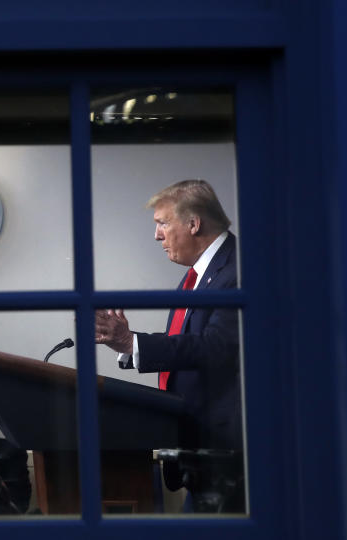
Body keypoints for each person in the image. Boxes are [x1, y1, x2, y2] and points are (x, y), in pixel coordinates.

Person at [95, 179, 244, 512]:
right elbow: (191, 345)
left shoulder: (238, 271)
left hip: (228, 456)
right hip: (200, 455)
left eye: (162, 223)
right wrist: (129, 346)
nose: (156, 235)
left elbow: (216, 347)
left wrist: (133, 342)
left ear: (193, 224)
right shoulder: (196, 276)